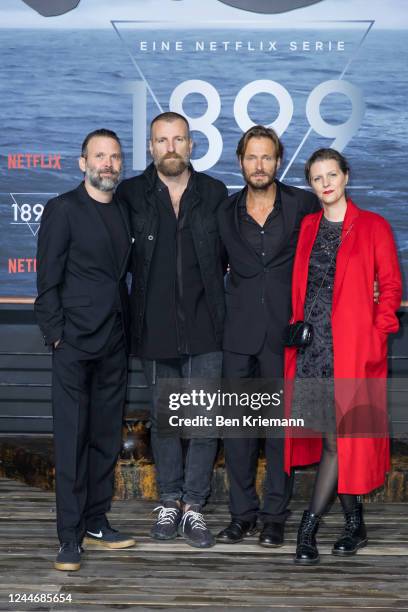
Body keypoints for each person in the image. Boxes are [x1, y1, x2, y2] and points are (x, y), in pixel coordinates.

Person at [285, 148, 402, 565]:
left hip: (353, 349)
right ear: (312, 185)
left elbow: (389, 286)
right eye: (317, 178)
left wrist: (377, 329)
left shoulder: (373, 226)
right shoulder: (308, 226)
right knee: (333, 436)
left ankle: (308, 528)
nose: (326, 183)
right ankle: (355, 523)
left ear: (346, 176)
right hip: (313, 350)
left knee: (339, 438)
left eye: (331, 174)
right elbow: (303, 285)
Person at [116, 112, 228, 548]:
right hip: (154, 326)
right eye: (162, 140)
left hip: (207, 327)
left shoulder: (215, 193)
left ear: (191, 144)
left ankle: (194, 507)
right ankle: (169, 501)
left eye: (178, 139)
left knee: (203, 421)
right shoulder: (130, 195)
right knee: (165, 421)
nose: (170, 148)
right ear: (150, 147)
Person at [35, 129, 135, 571]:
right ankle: (69, 536)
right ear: (82, 163)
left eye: (114, 157)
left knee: (104, 438)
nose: (107, 164)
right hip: (73, 343)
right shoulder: (63, 209)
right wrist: (56, 335)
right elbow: (47, 281)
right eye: (99, 156)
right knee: (72, 441)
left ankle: (96, 522)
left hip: (114, 340)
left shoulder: (124, 211)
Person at [216, 125, 320, 547]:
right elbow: (213, 269)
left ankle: (275, 517)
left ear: (279, 161)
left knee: (281, 431)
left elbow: (328, 255)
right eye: (251, 157)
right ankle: (242, 515)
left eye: (267, 157)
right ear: (240, 161)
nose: (259, 165)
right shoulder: (224, 212)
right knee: (239, 431)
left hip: (285, 336)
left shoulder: (303, 204)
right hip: (237, 335)